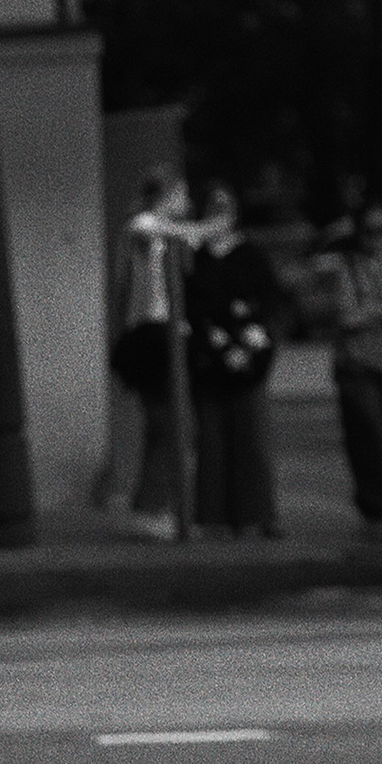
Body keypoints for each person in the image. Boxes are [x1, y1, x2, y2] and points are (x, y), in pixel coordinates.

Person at [313, 203, 382, 539]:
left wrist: (373, 310)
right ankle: (377, 510)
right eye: (369, 231)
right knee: (369, 432)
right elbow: (346, 317)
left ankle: (374, 497)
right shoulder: (343, 266)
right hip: (357, 363)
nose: (377, 239)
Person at [184, 183, 283, 537]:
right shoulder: (195, 258)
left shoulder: (250, 255)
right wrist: (213, 340)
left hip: (249, 355)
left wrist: (252, 341)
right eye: (212, 206)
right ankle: (214, 518)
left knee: (252, 438)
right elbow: (191, 306)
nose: (218, 214)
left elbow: (269, 301)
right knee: (212, 440)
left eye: (225, 207)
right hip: (210, 358)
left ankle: (257, 515)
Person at [108, 166, 194, 541]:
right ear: (170, 194)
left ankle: (157, 501)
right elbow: (155, 229)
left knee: (168, 421)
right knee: (167, 420)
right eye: (182, 195)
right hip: (151, 332)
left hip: (163, 331)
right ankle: (153, 504)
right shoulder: (143, 224)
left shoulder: (158, 231)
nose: (186, 204)